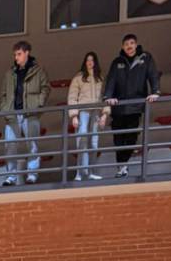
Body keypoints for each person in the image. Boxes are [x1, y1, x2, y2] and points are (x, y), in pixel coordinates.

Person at [103, 34, 160, 175]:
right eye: (126, 44)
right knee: (118, 139)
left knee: (131, 138)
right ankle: (121, 166)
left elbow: (153, 75)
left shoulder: (146, 58)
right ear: (122, 46)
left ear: (136, 44)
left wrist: (155, 92)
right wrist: (108, 97)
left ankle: (122, 165)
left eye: (132, 43)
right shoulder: (117, 62)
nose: (129, 46)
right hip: (119, 107)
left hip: (135, 106)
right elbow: (111, 80)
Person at [0, 40, 49, 186]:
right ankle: (11, 177)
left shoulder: (38, 71)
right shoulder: (10, 73)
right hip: (12, 114)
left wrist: (38, 103)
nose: (16, 57)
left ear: (27, 53)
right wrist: (5, 108)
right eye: (15, 55)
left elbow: (46, 88)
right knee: (10, 146)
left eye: (19, 54)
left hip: (30, 113)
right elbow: (3, 94)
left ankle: (32, 175)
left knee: (32, 145)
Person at [67, 52, 105, 182]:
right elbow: (72, 97)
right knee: (82, 141)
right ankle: (80, 173)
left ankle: (91, 172)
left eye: (92, 60)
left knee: (94, 142)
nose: (90, 62)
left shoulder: (100, 78)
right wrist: (74, 116)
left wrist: (105, 114)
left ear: (95, 62)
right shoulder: (78, 78)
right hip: (83, 111)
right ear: (84, 62)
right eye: (88, 60)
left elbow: (104, 97)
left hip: (96, 112)